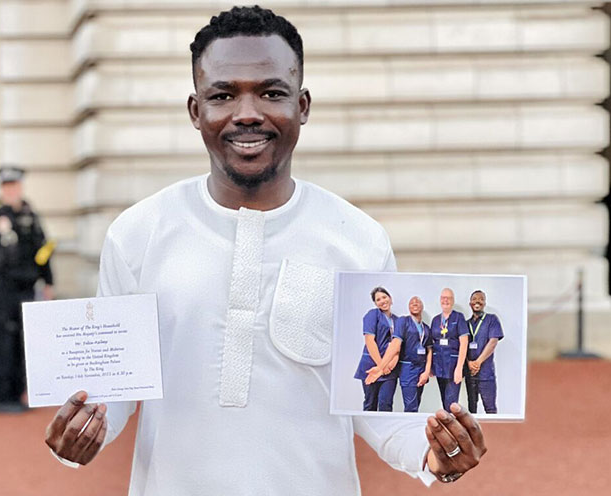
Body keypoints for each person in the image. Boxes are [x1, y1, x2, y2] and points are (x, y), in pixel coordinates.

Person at [44, 6, 487, 492]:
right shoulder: (136, 235)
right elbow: (116, 395)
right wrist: (81, 435)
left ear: (303, 105)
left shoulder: (358, 239)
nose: (248, 113)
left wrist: (433, 452)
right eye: (223, 95)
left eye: (272, 93)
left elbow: (376, 403)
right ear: (197, 111)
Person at [0, 165, 54, 413]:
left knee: (24, 344)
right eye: (7, 186)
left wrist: (48, 282)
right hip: (3, 290)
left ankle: (18, 395)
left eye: (15, 186)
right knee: (4, 343)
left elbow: (43, 252)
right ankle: (0, 398)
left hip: (28, 289)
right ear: (1, 189)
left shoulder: (30, 215)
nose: (12, 191)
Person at [366, 296, 433, 412]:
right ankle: (410, 429)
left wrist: (427, 371)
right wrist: (381, 367)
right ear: (408, 307)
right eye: (412, 302)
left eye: (418, 302)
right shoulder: (403, 321)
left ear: (422, 307)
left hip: (421, 369)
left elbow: (429, 351)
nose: (415, 303)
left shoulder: (426, 328)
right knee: (411, 406)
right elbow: (395, 345)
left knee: (417, 402)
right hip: (408, 369)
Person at [354, 287, 399, 411]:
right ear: (375, 303)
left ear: (390, 298)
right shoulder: (372, 315)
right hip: (372, 366)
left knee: (386, 403)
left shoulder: (398, 320)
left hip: (390, 369)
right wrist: (381, 366)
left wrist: (391, 364)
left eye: (384, 297)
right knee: (370, 403)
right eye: (378, 299)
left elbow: (398, 345)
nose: (382, 301)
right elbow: (369, 341)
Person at [429, 288, 469, 412]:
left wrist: (459, 368)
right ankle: (447, 426)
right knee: (444, 401)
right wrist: (430, 366)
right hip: (439, 365)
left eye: (449, 298)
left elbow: (464, 342)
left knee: (451, 402)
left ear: (453, 301)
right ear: (440, 300)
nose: (445, 300)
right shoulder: (435, 320)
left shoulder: (459, 317)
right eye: (443, 297)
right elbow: (431, 343)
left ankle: (451, 427)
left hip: (453, 365)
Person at [465, 290, 504, 414]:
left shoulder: (492, 320)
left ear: (484, 303)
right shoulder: (466, 324)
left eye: (481, 299)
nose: (477, 301)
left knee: (490, 408)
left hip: (486, 374)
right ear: (470, 303)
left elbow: (493, 342)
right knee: (472, 410)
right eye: (474, 299)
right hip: (470, 373)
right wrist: (469, 363)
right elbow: (461, 347)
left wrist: (478, 362)